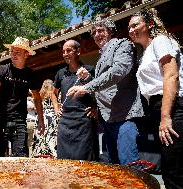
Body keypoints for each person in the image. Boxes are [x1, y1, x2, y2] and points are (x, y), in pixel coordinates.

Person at [67, 19, 144, 166]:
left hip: (124, 116)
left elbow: (119, 70)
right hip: (107, 119)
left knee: (130, 166)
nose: (97, 34)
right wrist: (88, 78)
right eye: (94, 32)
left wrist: (87, 86)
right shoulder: (102, 56)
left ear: (110, 31)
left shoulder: (122, 44)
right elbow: (105, 86)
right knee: (114, 167)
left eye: (101, 30)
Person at [128, 8, 183, 188]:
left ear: (149, 24)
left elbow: (171, 75)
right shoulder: (145, 54)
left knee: (174, 171)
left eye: (136, 24)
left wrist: (166, 116)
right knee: (170, 166)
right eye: (129, 27)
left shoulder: (160, 41)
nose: (131, 30)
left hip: (172, 107)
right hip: (157, 109)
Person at [54, 39, 99, 161]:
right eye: (63, 51)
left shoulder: (89, 70)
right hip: (65, 120)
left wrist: (96, 107)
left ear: (78, 51)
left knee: (85, 157)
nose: (65, 54)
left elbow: (100, 90)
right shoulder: (61, 73)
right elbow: (53, 92)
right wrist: (56, 108)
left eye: (69, 50)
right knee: (64, 158)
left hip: (84, 119)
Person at [32, 79, 59, 157]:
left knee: (40, 135)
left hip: (40, 117)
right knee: (51, 135)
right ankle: (52, 153)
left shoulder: (40, 95)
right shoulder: (52, 94)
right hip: (50, 117)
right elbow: (55, 106)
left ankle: (39, 153)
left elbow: (35, 107)